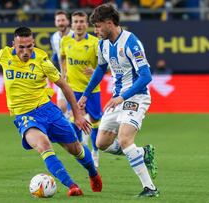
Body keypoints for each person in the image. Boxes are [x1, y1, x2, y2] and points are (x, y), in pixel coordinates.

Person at [0, 27, 102, 196]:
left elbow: (65, 86)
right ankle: (72, 186)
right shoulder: (5, 55)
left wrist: (78, 115)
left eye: (29, 46)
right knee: (44, 145)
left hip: (48, 110)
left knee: (75, 149)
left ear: (33, 44)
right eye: (21, 47)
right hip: (25, 116)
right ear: (13, 44)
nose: (25, 51)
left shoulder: (42, 61)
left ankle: (93, 173)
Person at [78, 4, 159, 197]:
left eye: (97, 26)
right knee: (102, 143)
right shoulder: (102, 44)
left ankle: (150, 188)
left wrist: (123, 96)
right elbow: (100, 69)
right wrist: (85, 94)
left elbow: (146, 76)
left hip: (136, 97)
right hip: (117, 99)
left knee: (124, 139)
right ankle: (142, 153)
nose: (95, 31)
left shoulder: (131, 42)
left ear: (109, 23)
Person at [60, 10, 102, 168]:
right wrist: (64, 74)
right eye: (76, 22)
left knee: (96, 120)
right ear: (71, 24)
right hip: (73, 89)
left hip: (91, 90)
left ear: (87, 24)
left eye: (82, 22)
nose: (79, 25)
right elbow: (63, 57)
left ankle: (96, 151)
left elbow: (106, 65)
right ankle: (80, 151)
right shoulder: (65, 41)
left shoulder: (94, 42)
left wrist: (96, 71)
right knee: (74, 119)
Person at [50, 10, 73, 118]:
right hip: (63, 77)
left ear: (68, 21)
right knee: (61, 108)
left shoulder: (75, 36)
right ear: (55, 22)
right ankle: (69, 133)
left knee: (76, 109)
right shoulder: (54, 37)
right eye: (58, 20)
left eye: (63, 20)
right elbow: (56, 55)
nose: (61, 23)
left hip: (77, 77)